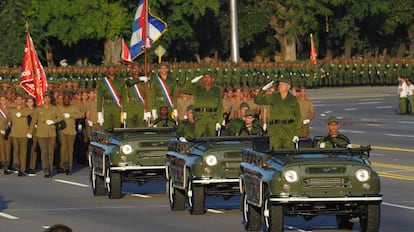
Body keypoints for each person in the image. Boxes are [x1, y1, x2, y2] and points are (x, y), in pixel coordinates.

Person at [254, 79, 301, 149]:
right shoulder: (273, 97)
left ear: (288, 87)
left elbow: (298, 117)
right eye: (279, 84)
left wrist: (296, 133)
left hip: (288, 129)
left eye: (282, 84)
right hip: (275, 129)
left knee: (288, 151)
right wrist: (264, 89)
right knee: (274, 151)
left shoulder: (293, 99)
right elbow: (257, 100)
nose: (279, 86)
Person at [29, 91, 64, 178]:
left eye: (48, 98)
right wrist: (29, 132)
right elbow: (33, 121)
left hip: (51, 133)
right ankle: (46, 170)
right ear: (43, 99)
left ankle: (50, 169)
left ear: (50, 99)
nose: (47, 99)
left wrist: (53, 121)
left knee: (51, 152)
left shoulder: (54, 108)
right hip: (41, 134)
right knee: (44, 152)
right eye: (45, 98)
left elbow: (61, 117)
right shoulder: (39, 109)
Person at [180, 73, 223, 137]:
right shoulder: (197, 89)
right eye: (205, 77)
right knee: (198, 137)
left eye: (208, 77)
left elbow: (220, 106)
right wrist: (192, 82)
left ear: (212, 79)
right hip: (200, 117)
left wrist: (219, 121)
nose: (206, 79)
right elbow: (184, 90)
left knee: (211, 139)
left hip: (212, 118)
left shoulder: (217, 90)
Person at [1, 93, 32, 176]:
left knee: (23, 152)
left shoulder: (26, 109)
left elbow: (30, 111)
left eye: (20, 99)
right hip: (15, 134)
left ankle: (22, 169)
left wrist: (21, 114)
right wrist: (3, 128)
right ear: (15, 101)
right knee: (16, 150)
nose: (19, 101)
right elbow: (7, 120)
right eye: (17, 99)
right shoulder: (12, 110)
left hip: (24, 134)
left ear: (22, 101)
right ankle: (17, 165)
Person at [56, 92, 82, 175]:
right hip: (62, 131)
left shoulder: (74, 107)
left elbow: (80, 115)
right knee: (63, 148)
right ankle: (63, 164)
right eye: (64, 99)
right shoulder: (59, 108)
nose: (66, 100)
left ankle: (69, 168)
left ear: (70, 100)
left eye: (68, 99)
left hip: (71, 131)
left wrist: (70, 115)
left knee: (70, 149)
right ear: (62, 100)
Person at [97, 64, 126, 128]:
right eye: (110, 68)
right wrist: (99, 112)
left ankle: (116, 138)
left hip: (117, 106)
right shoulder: (102, 82)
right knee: (107, 128)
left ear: (116, 70)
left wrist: (125, 111)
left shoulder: (120, 82)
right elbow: (99, 98)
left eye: (113, 68)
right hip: (107, 106)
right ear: (107, 70)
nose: (111, 70)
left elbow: (124, 97)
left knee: (117, 127)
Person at [0, 91, 12, 175]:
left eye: (4, 100)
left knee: (8, 149)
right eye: (1, 100)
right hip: (0, 131)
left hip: (9, 131)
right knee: (2, 149)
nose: (3, 101)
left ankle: (7, 165)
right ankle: (4, 165)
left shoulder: (10, 109)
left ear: (6, 101)